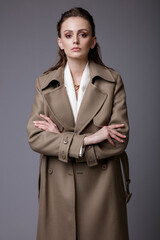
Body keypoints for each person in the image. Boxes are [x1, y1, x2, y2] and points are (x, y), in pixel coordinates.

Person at [27, 7, 132, 240]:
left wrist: (61, 140)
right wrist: (88, 139)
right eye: (68, 35)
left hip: (102, 188)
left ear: (93, 41)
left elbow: (118, 141)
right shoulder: (44, 84)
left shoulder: (112, 81)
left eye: (83, 34)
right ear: (60, 42)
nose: (75, 40)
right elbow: (35, 137)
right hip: (58, 190)